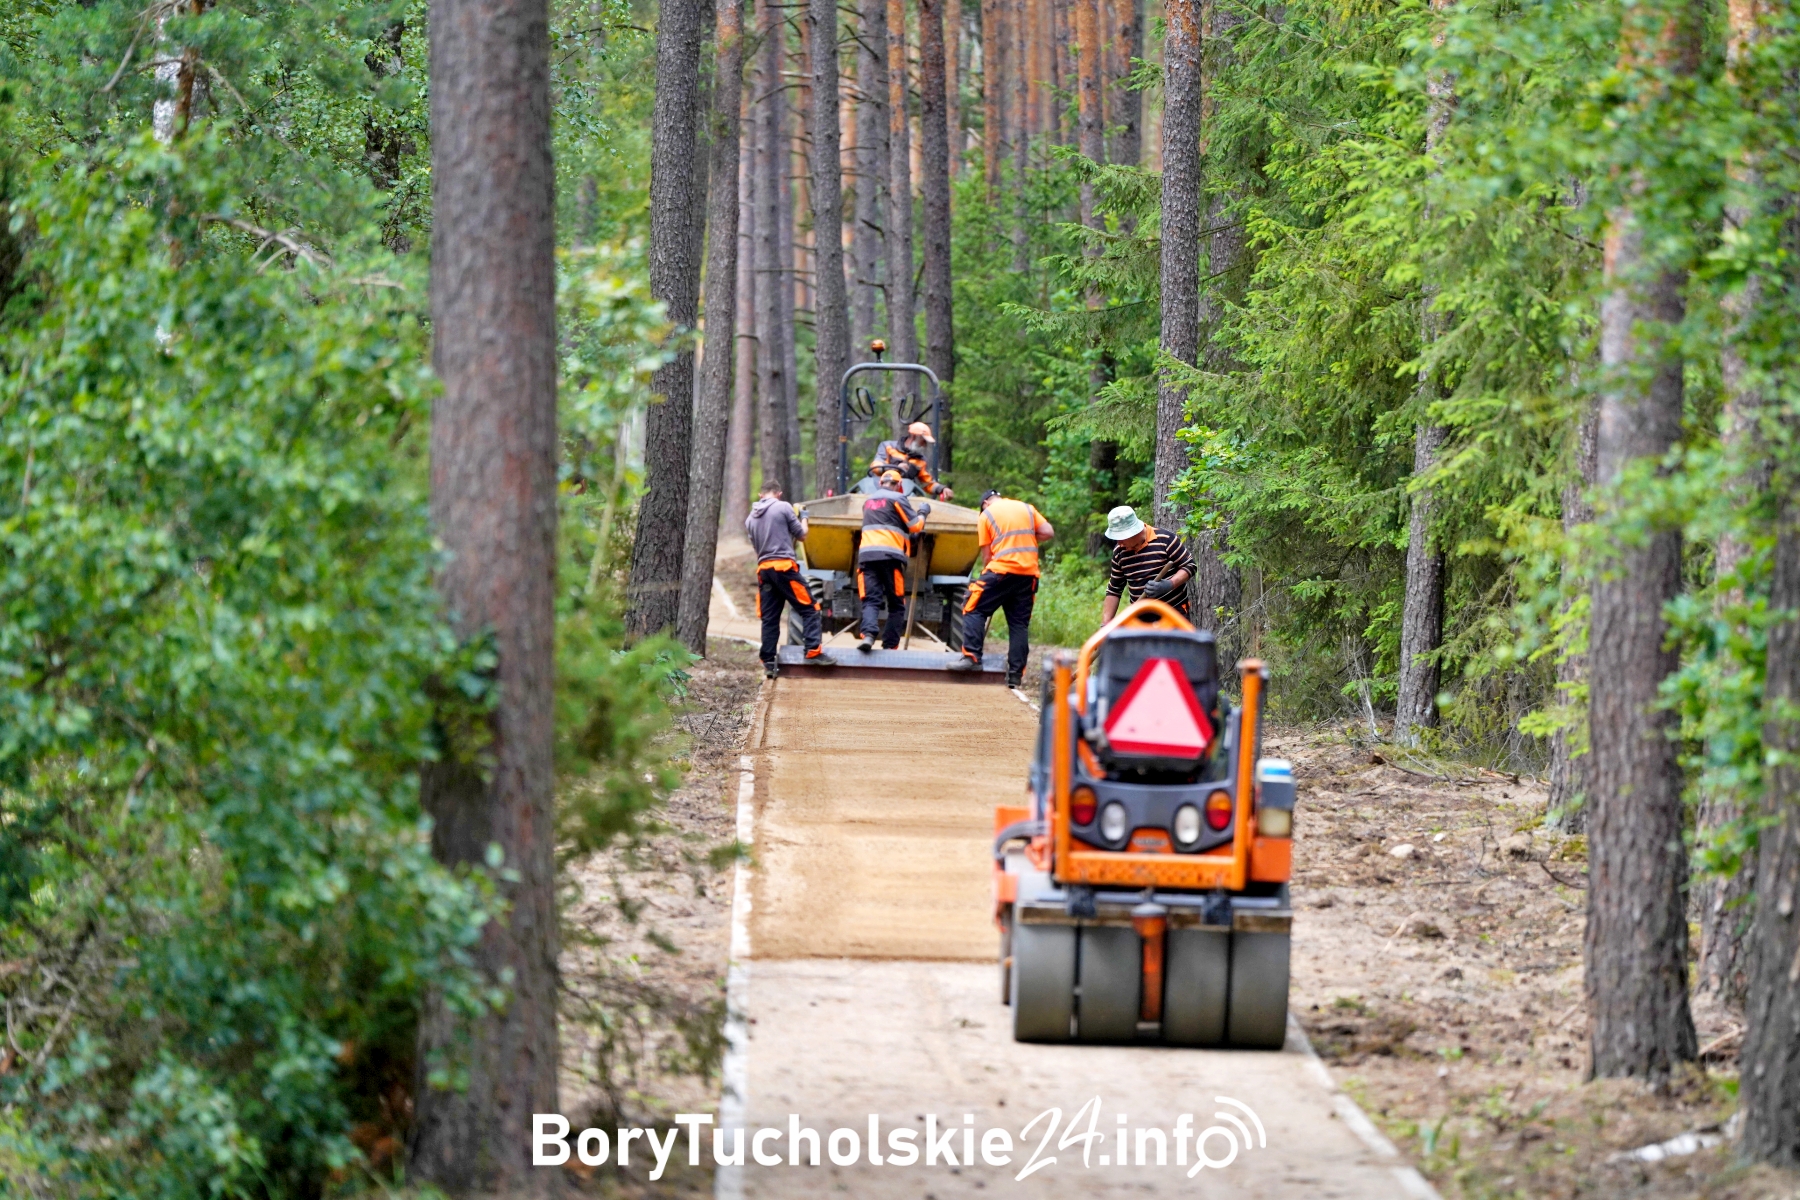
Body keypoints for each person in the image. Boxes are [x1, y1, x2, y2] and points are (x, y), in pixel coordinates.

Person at [949, 490, 1054, 687]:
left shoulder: (986, 515)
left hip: (1001, 571)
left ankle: (971, 657)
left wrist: (984, 576)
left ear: (986, 503)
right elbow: (1048, 532)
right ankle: (1015, 674)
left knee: (972, 606)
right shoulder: (1027, 508)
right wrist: (1027, 539)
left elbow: (988, 556)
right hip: (1028, 575)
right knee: (1019, 625)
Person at [745, 482, 831, 678]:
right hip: (784, 567)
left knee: (770, 618)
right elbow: (802, 535)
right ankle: (813, 652)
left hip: (764, 570)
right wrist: (804, 518)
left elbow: (757, 547)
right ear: (779, 493)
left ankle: (768, 662)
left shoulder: (750, 518)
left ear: (760, 494)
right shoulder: (783, 507)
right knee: (809, 608)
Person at [857, 469, 930, 651]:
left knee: (870, 600)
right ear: (899, 485)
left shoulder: (867, 502)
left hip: (867, 557)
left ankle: (868, 635)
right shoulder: (898, 498)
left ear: (880, 483)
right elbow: (915, 526)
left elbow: (887, 523)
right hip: (890, 558)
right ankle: (890, 646)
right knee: (897, 604)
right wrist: (923, 512)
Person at [1100, 504, 1197, 625]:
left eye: (1121, 537)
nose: (1118, 542)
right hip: (1141, 618)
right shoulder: (1119, 551)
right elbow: (1114, 590)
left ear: (1133, 532)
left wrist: (1169, 584)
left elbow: (1190, 566)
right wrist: (1105, 625)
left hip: (1173, 614)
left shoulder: (1165, 539)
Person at [868, 421, 954, 500]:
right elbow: (876, 467)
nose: (924, 445)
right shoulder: (887, 447)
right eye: (923, 441)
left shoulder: (920, 460)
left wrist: (942, 489)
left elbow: (927, 483)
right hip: (877, 491)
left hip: (904, 497)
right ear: (914, 437)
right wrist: (896, 468)